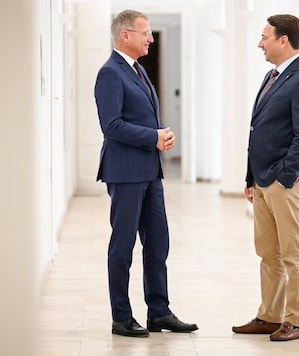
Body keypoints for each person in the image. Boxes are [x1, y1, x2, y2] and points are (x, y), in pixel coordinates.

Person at [94, 9, 198, 338]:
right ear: (125, 35)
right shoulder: (110, 73)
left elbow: (140, 116)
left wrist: (160, 134)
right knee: (122, 246)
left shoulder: (138, 70)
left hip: (150, 171)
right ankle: (121, 317)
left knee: (158, 242)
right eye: (145, 33)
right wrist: (153, 137)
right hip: (125, 172)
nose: (150, 38)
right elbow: (111, 127)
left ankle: (159, 312)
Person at [232, 14, 299, 342]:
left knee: (293, 253)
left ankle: (294, 320)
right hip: (262, 179)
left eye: (264, 37)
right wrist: (251, 177)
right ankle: (270, 316)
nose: (260, 43)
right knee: (268, 252)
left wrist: (284, 178)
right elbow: (258, 131)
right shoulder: (272, 76)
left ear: (284, 40)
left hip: (286, 181)